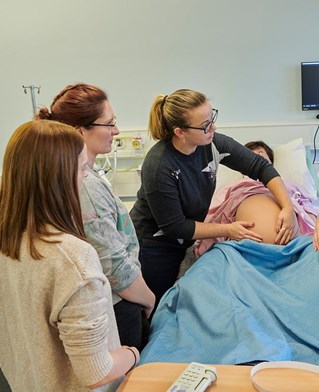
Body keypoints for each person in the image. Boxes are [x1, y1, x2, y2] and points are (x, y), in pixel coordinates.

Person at [0, 120, 139, 391]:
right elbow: (96, 372)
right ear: (59, 178)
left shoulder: (10, 240)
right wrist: (132, 354)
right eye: (80, 169)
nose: (85, 177)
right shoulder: (73, 258)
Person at [130, 89, 298, 310]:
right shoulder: (159, 166)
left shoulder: (213, 144)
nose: (214, 128)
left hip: (185, 239)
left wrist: (287, 207)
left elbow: (260, 167)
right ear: (180, 132)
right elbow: (175, 226)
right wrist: (228, 230)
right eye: (205, 125)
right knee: (154, 308)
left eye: (212, 119)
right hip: (154, 244)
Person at [36, 83, 155, 349]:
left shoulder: (85, 175)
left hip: (114, 300)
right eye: (109, 124)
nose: (116, 131)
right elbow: (113, 266)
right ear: (80, 131)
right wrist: (148, 299)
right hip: (116, 304)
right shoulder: (86, 185)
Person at [195, 140, 318, 258]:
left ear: (270, 162)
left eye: (260, 153)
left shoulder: (290, 186)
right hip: (243, 252)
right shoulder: (232, 188)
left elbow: (309, 209)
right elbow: (213, 215)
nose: (256, 158)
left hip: (296, 248)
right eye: (250, 155)